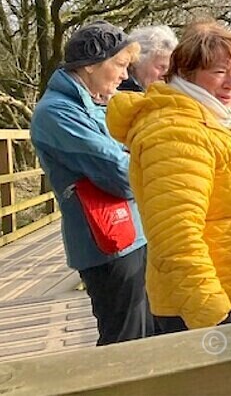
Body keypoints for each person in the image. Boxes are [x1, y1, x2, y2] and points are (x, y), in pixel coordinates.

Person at [107, 20, 231, 331]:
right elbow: (175, 235)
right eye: (219, 72)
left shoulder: (220, 121)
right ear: (186, 72)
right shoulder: (175, 131)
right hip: (223, 307)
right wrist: (211, 315)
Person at [30, 20, 153, 345]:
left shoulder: (89, 105)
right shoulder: (56, 113)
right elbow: (123, 176)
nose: (125, 76)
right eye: (120, 65)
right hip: (109, 245)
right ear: (90, 66)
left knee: (146, 336)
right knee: (125, 344)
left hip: (129, 236)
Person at [117, 25, 178, 92]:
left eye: (170, 69)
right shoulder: (112, 89)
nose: (165, 75)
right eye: (161, 67)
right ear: (137, 61)